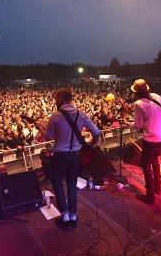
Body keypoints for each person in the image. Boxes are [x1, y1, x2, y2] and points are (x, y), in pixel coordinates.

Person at [39, 88, 100, 229]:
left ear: (61, 99)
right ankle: (73, 215)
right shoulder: (81, 114)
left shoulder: (56, 116)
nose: (55, 101)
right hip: (76, 156)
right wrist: (91, 145)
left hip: (60, 155)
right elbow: (96, 132)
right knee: (72, 183)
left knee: (57, 182)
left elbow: (48, 136)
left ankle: (65, 216)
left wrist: (39, 128)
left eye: (56, 98)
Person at [130, 79, 161, 204]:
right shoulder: (155, 96)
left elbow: (138, 125)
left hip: (151, 138)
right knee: (155, 160)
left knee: (145, 164)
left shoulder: (138, 103)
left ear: (136, 93)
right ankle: (157, 188)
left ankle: (150, 196)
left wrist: (130, 123)